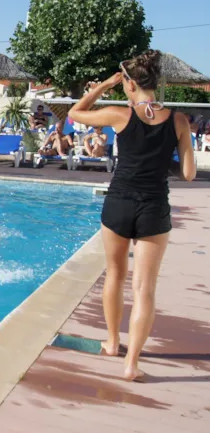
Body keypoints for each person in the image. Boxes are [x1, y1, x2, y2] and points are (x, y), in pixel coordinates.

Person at [68, 50, 195, 381]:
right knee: (145, 287)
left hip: (119, 202)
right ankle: (132, 364)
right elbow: (189, 174)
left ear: (129, 83)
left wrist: (102, 85)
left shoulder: (118, 115)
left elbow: (75, 113)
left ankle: (112, 344)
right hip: (154, 206)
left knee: (115, 275)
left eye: (122, 81)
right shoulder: (179, 120)